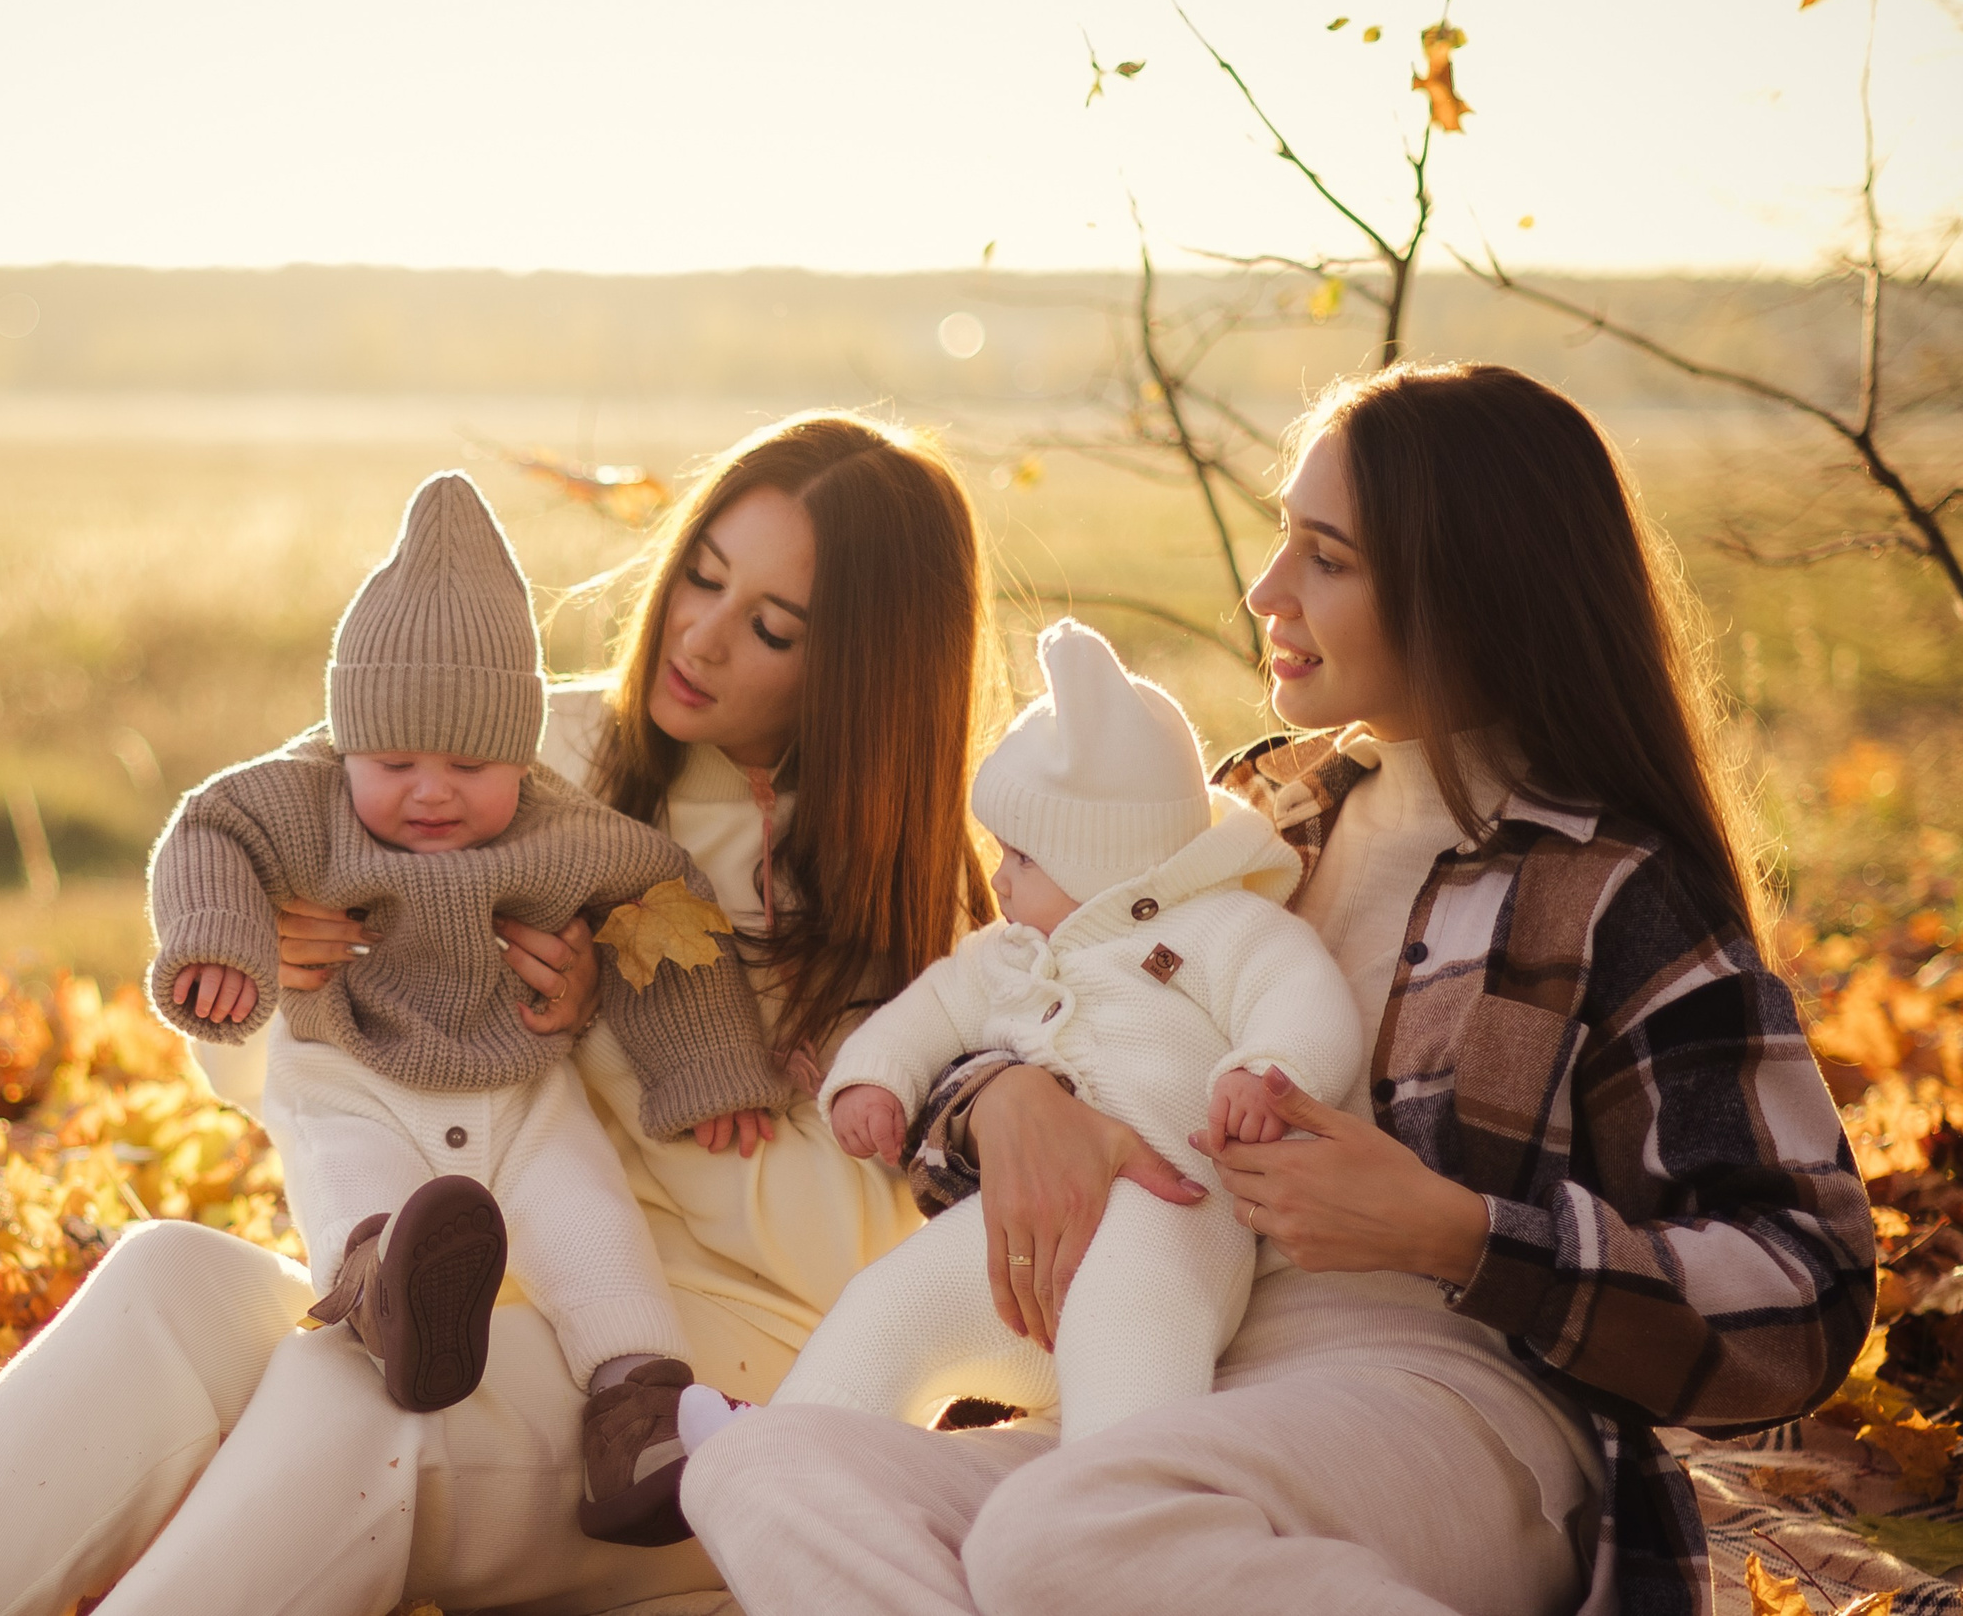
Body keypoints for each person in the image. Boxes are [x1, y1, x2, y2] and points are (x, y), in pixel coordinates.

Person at [0, 411, 1137, 1615]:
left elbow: (873, 1273)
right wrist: (278, 971)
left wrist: (624, 1029)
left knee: (360, 1403)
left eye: (774, 628)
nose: (700, 636)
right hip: (452, 1283)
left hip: (718, 1380)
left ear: (865, 673)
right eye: (702, 575)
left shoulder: (941, 932)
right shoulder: (530, 752)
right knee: (174, 1277)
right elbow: (277, 1054)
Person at [681, 363, 1878, 1616]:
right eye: (1280, 540)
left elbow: (1804, 1290)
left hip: (1450, 1410)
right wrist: (1004, 1100)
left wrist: (1457, 1234)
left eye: (1326, 557)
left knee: (1066, 1531)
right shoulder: (1257, 820)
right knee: (766, 1466)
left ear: (1468, 589)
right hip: (1161, 1378)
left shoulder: (1610, 891)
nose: (1267, 591)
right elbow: (1018, 988)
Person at [148, 471, 790, 1542]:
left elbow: (657, 900)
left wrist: (706, 1066)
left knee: (591, 1229)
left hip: (519, 1094)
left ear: (521, 753)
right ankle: (385, 1293)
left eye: (472, 763)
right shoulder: (300, 799)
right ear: (343, 739)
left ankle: (638, 1416)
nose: (432, 790)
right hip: (354, 1075)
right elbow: (208, 831)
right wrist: (225, 943)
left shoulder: (561, 825)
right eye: (394, 761)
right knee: (356, 1179)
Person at [680, 617, 1359, 1449]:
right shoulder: (1006, 954)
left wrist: (1270, 1072)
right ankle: (784, 1449)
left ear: (1112, 858)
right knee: (891, 1305)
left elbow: (1300, 996)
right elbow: (926, 1012)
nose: (999, 877)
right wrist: (875, 1078)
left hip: (1167, 1215)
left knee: (1131, 1333)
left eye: (1023, 859)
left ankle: (1124, 1499)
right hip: (1018, 1247)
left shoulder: (1219, 928)